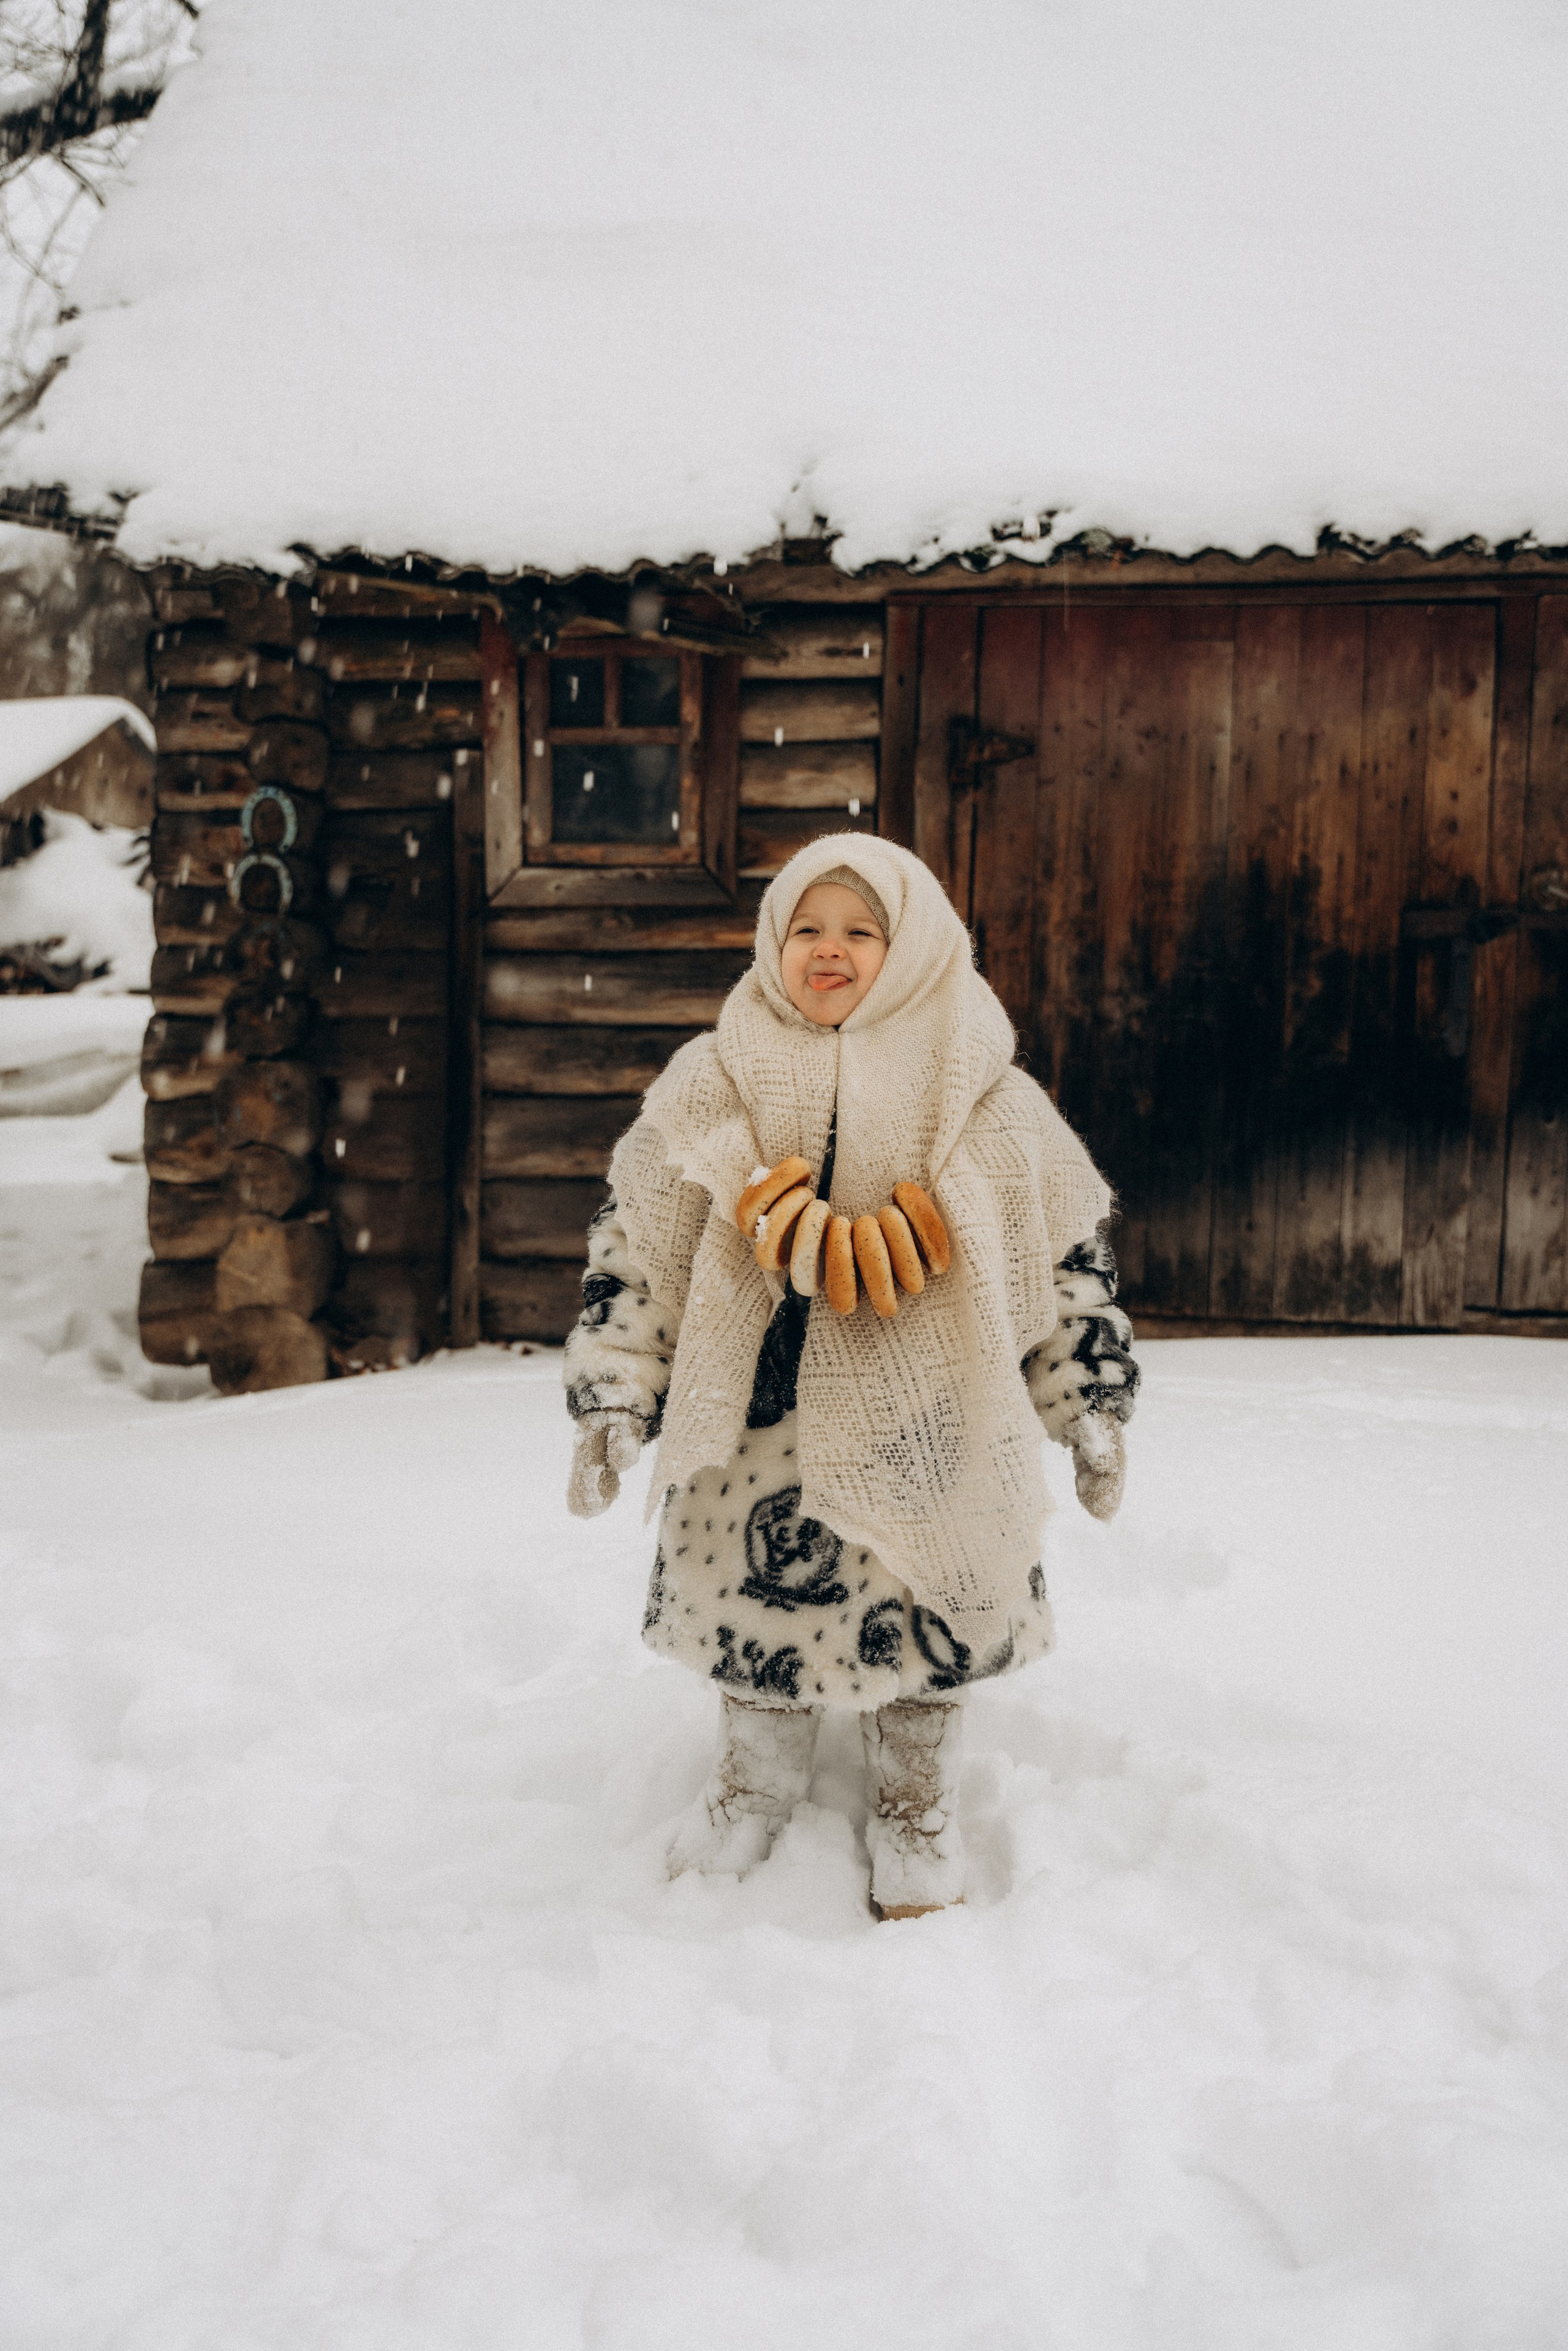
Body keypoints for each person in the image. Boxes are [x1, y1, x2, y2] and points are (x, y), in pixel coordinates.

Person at [562, 836, 1138, 1919]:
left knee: (926, 1618)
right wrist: (614, 1387)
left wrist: (1089, 1401)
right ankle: (753, 1783)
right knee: (755, 1615)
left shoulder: (986, 1098)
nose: (828, 953)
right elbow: (638, 1244)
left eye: (860, 932)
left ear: (913, 946)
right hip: (757, 1423)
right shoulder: (713, 1080)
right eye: (805, 929)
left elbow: (1059, 1257)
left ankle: (917, 1804)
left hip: (936, 1421)